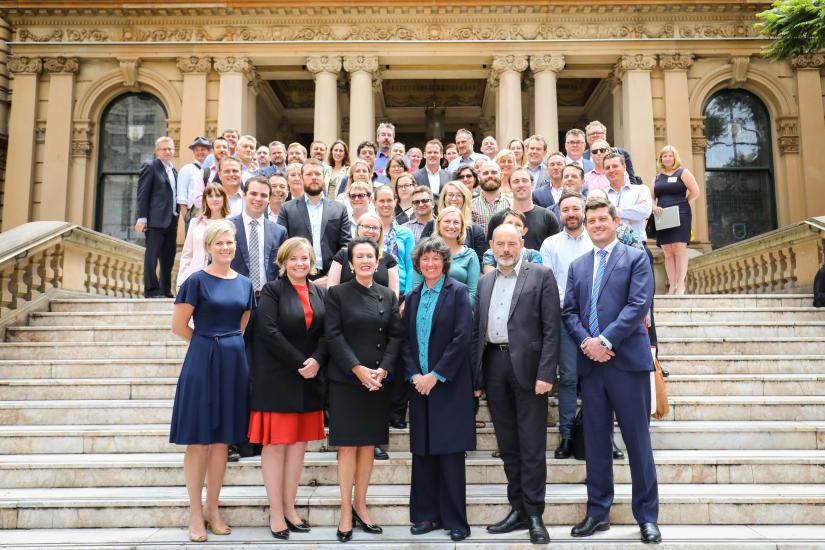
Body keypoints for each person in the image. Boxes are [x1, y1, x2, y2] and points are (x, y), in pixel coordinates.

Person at [562, 195, 660, 545]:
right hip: (592, 367)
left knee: (637, 442)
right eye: (592, 221)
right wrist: (588, 343)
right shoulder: (578, 266)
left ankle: (647, 517)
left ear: (616, 222)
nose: (598, 225)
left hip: (627, 364)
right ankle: (598, 512)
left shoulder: (635, 257)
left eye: (603, 219)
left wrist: (604, 340)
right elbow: (569, 312)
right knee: (596, 443)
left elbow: (638, 305)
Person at [472, 222, 559, 545]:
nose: (506, 250)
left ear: (522, 244)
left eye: (512, 244)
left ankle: (535, 513)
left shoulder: (541, 275)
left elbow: (552, 329)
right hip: (494, 365)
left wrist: (546, 374)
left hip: (530, 369)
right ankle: (518, 508)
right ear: (492, 246)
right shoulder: (485, 282)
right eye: (500, 244)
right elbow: (477, 331)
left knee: (532, 444)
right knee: (508, 443)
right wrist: (478, 377)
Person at [170, 219, 256, 543]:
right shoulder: (196, 281)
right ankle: (195, 511)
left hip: (234, 363)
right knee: (199, 439)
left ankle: (213, 508)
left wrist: (227, 346)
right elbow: (179, 326)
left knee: (222, 440)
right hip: (202, 360)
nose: (225, 247)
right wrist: (206, 344)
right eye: (219, 243)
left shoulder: (245, 283)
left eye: (229, 242)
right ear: (208, 247)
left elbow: (243, 323)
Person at [324, 237, 404, 543]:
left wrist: (384, 369)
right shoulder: (337, 294)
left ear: (378, 260)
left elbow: (396, 336)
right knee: (347, 447)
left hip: (377, 382)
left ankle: (361, 505)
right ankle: (346, 511)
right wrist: (357, 369)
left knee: (369, 445)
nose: (366, 261)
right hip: (347, 381)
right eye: (359, 257)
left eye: (370, 256)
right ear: (351, 262)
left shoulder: (388, 295)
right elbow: (333, 336)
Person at [248, 237, 328, 540]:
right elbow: (268, 331)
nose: (299, 263)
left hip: (309, 379)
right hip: (278, 377)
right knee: (277, 445)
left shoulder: (319, 292)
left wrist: (317, 360)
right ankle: (275, 511)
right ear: (283, 262)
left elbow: (327, 332)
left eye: (304, 258)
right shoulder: (272, 290)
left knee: (298, 446)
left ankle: (290, 507)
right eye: (293, 258)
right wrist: (301, 362)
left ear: (311, 262)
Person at [401, 237, 475, 543]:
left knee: (450, 454)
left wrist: (436, 375)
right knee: (423, 451)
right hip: (419, 386)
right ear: (418, 264)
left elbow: (462, 338)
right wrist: (415, 376)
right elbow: (405, 341)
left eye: (435, 259)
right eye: (425, 259)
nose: (430, 264)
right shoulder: (413, 296)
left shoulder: (457, 292)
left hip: (449, 384)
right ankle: (426, 515)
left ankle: (455, 519)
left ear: (444, 262)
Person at [539, 192, 592, 459]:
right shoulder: (550, 244)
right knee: (569, 377)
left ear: (584, 211)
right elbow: (549, 283)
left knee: (598, 379)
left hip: (596, 318)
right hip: (564, 317)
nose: (571, 214)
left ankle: (602, 435)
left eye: (575, 209)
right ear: (560, 213)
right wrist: (572, 305)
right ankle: (568, 435)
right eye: (566, 210)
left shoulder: (596, 239)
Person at [278, 159, 351, 285]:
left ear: (324, 177)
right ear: (302, 178)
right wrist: (297, 276)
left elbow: (346, 246)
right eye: (309, 174)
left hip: (331, 278)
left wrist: (331, 276)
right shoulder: (287, 209)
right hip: (296, 277)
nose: (314, 177)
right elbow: (282, 245)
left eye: (317, 174)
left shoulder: (339, 209)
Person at [135, 136, 179, 298]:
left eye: (170, 148)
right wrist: (142, 218)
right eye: (164, 149)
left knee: (168, 257)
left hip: (171, 220)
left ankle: (164, 290)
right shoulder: (150, 167)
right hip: (155, 220)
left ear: (174, 150)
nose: (167, 151)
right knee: (152, 256)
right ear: (157, 151)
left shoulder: (174, 170)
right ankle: (151, 290)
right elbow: (143, 194)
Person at [653, 145, 700, 295]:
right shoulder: (657, 177)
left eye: (670, 156)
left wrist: (684, 203)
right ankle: (672, 285)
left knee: (679, 250)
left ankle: (681, 285)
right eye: (664, 156)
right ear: (661, 159)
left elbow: (695, 192)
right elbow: (651, 197)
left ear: (675, 157)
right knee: (667, 251)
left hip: (681, 214)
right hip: (662, 216)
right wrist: (654, 207)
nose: (667, 158)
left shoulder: (683, 172)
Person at [411, 206, 479, 306]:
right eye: (447, 221)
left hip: (459, 309)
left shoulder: (470, 255)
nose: (451, 226)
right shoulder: (425, 251)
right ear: (438, 225)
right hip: (428, 308)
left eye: (456, 222)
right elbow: (417, 286)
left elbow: (473, 293)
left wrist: (459, 310)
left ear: (461, 227)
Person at [229, 176, 287, 291]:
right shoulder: (227, 227)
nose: (258, 199)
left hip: (268, 296)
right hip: (234, 294)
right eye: (253, 193)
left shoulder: (279, 232)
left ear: (269, 199)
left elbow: (283, 268)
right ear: (244, 195)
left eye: (264, 195)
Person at [486, 167, 560, 251]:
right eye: (516, 181)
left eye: (524, 180)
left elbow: (556, 250)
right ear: (510, 186)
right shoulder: (497, 219)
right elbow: (491, 252)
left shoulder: (548, 217)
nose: (520, 185)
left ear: (532, 184)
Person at [327, 212, 400, 297]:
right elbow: (331, 291)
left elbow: (394, 297)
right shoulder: (342, 256)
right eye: (366, 226)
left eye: (375, 228)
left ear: (380, 231)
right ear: (357, 228)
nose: (370, 231)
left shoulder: (389, 260)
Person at [421, 180, 486, 264]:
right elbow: (420, 256)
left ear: (464, 199)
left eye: (459, 195)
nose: (454, 198)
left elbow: (480, 262)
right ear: (444, 198)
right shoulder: (431, 225)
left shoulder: (475, 230)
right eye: (450, 195)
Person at [177, 183, 229, 288]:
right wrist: (181, 282)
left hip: (222, 280)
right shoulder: (195, 223)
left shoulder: (231, 223)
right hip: (196, 279)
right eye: (210, 196)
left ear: (224, 198)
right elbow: (187, 255)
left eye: (218, 195)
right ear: (205, 199)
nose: (214, 199)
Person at [374, 185, 416, 295]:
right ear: (374, 202)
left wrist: (407, 296)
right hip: (372, 290)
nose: (386, 204)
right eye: (381, 201)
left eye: (389, 200)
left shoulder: (406, 233)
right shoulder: (369, 231)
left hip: (400, 292)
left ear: (395, 202)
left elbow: (411, 267)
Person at [482, 209, 543, 274]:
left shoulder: (533, 256)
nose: (513, 226)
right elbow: (490, 276)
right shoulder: (491, 253)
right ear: (501, 226)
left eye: (518, 225)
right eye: (509, 223)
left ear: (524, 231)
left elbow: (533, 276)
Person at [583, 120, 640, 185]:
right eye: (591, 134)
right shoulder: (581, 157)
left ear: (605, 136)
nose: (595, 135)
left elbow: (631, 181)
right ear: (587, 139)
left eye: (598, 133)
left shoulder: (622, 153)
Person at [176, 136, 211, 226]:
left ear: (209, 151)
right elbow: (182, 196)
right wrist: (187, 218)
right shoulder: (186, 169)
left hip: (212, 212)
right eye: (197, 150)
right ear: (194, 152)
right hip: (194, 213)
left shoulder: (213, 169)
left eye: (203, 149)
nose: (200, 152)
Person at [471, 161, 511, 235]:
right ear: (479, 177)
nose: (490, 175)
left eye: (494, 172)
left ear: (501, 175)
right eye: (485, 173)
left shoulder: (511, 204)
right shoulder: (470, 206)